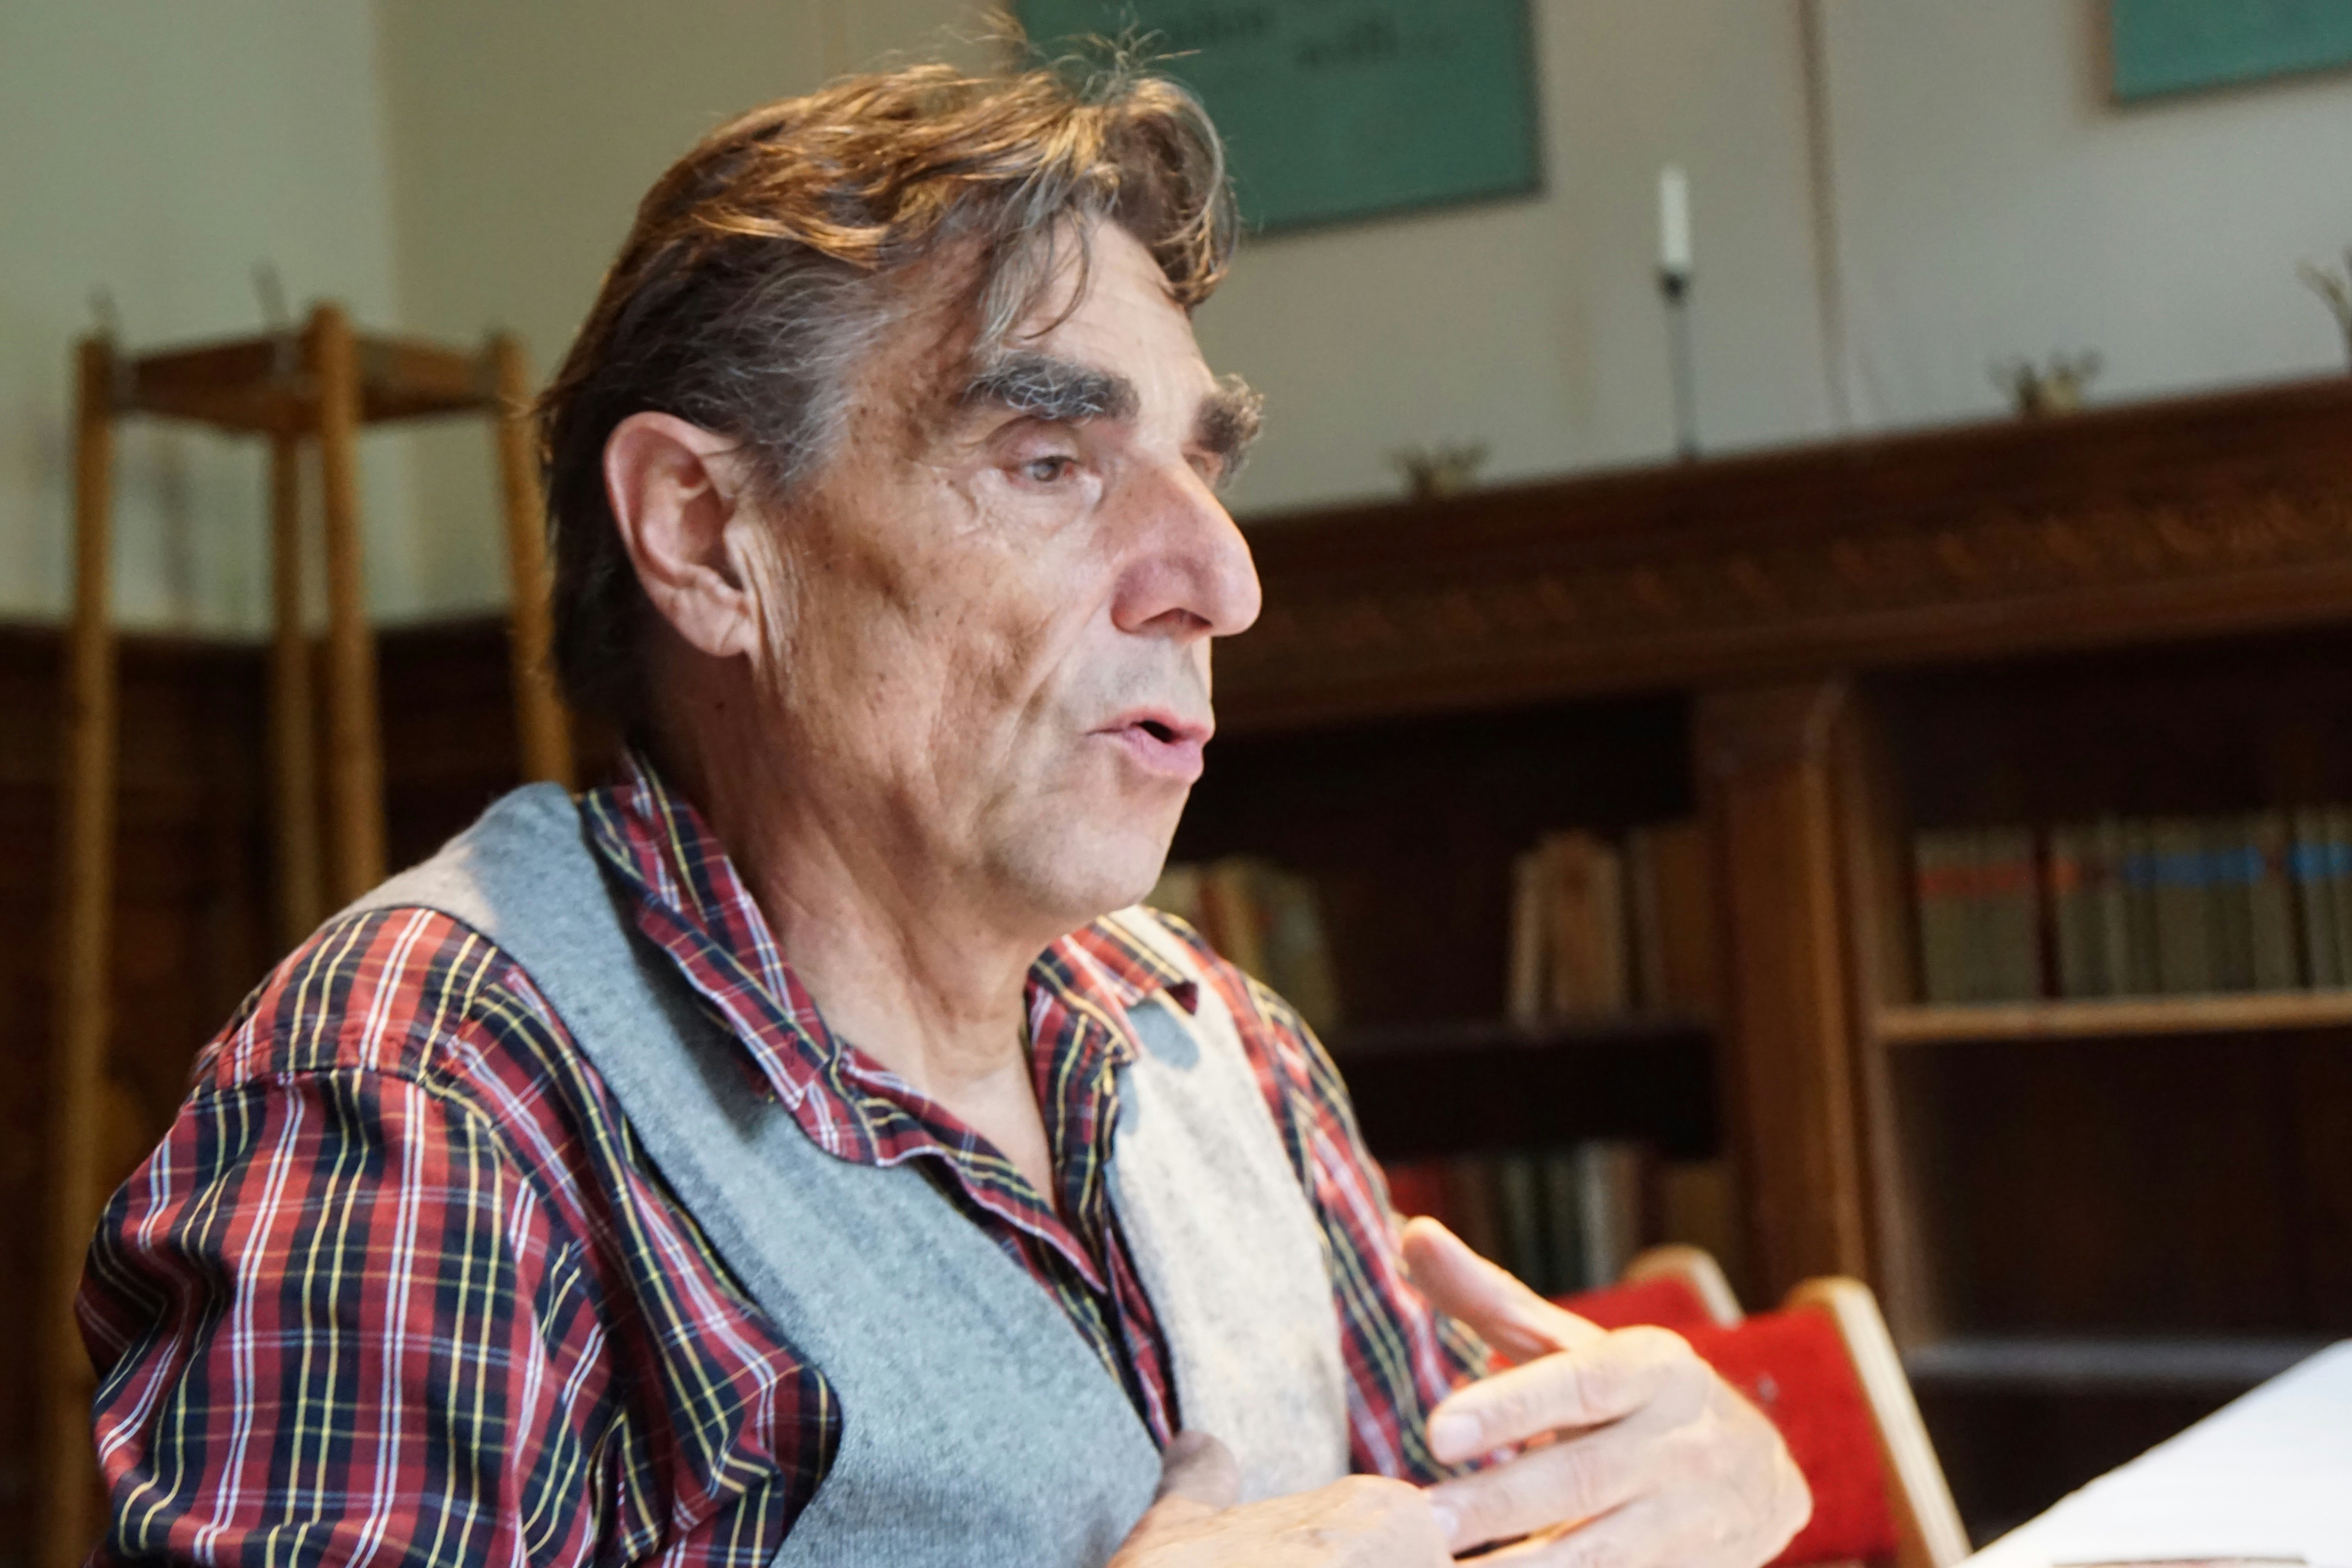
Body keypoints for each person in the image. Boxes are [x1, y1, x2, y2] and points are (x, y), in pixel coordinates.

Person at [76, 55, 1808, 1568]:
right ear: (701, 536)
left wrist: (1687, 1488)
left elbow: (1455, 1522)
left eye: (1206, 469)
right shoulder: (428, 1097)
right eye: (1051, 464)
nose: (1221, 576)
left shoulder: (1221, 1044)